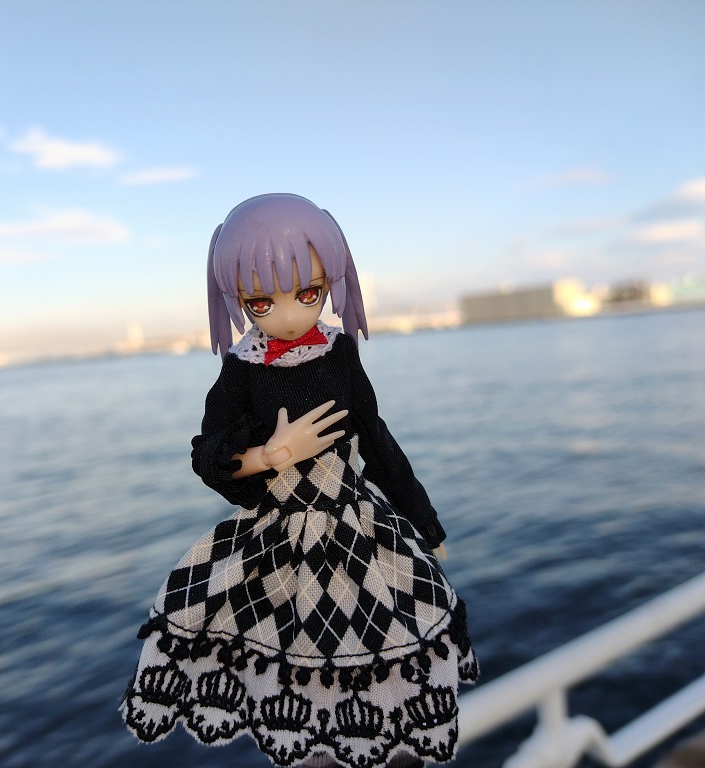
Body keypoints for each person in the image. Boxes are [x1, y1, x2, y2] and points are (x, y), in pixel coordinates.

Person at [121, 193, 477, 768]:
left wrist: (424, 522)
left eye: (307, 293)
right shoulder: (242, 368)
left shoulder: (340, 353)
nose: (287, 314)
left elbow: (377, 441)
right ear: (238, 301)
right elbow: (207, 455)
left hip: (357, 526)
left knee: (387, 653)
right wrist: (271, 455)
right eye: (261, 301)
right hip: (278, 538)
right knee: (294, 673)